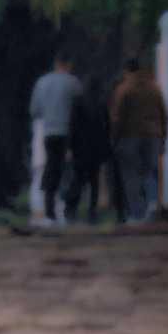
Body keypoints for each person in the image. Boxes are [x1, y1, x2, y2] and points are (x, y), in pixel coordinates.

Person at [111, 57, 167, 223]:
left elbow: (118, 118)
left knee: (132, 175)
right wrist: (163, 138)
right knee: (150, 173)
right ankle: (152, 206)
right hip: (153, 136)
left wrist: (114, 139)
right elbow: (164, 114)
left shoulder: (123, 89)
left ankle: (137, 214)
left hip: (131, 137)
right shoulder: (154, 88)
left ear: (125, 72)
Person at [28, 54, 83, 224]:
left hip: (49, 132)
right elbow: (80, 108)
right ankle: (66, 211)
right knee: (67, 172)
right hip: (68, 132)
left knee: (50, 170)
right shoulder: (73, 82)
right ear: (67, 64)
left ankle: (49, 211)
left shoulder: (41, 82)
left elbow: (34, 110)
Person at [64, 75, 114, 225]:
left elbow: (73, 125)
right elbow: (107, 128)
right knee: (94, 183)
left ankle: (71, 209)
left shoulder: (78, 101)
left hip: (80, 148)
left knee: (78, 179)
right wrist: (108, 150)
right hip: (96, 149)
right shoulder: (102, 103)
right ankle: (91, 213)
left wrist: (69, 147)